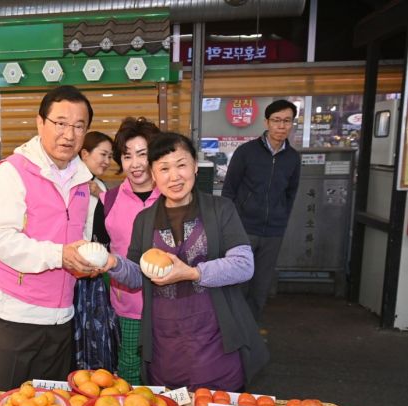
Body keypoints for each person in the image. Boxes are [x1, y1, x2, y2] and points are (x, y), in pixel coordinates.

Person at [103, 132, 269, 390]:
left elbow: (243, 264)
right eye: (164, 168)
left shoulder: (220, 209)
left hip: (216, 337)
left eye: (181, 165)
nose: (174, 176)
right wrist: (112, 263)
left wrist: (192, 273)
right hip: (164, 341)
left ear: (194, 165)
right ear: (154, 175)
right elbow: (137, 275)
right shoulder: (145, 220)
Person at [0, 85, 96, 390]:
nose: (69, 134)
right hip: (13, 313)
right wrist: (59, 255)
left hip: (60, 315)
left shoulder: (83, 179)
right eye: (60, 123)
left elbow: (77, 236)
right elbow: (1, 239)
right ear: (40, 122)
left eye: (78, 126)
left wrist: (85, 260)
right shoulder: (11, 173)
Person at [222, 99, 301, 322]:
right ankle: (233, 330)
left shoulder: (293, 158)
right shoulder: (246, 152)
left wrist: (281, 220)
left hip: (273, 233)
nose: (281, 126)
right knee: (239, 283)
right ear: (266, 122)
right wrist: (230, 226)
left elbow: (290, 194)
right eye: (276, 120)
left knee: (261, 287)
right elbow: (229, 191)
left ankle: (250, 334)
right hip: (243, 229)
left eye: (287, 121)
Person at [103, 117, 162, 385]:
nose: (135, 164)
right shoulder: (109, 199)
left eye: (142, 154)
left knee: (168, 367)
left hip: (170, 304)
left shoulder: (174, 195)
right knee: (128, 368)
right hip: (128, 304)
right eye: (127, 156)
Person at [73, 131, 120, 371]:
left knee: (97, 326)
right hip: (80, 269)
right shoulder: (73, 184)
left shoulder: (100, 186)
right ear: (84, 154)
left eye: (110, 156)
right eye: (102, 154)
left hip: (99, 269)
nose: (107, 161)